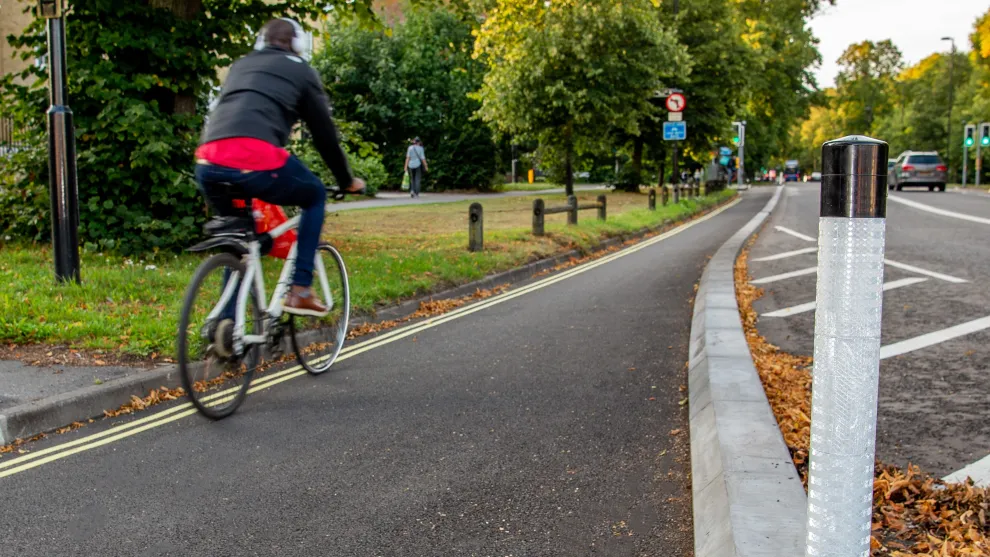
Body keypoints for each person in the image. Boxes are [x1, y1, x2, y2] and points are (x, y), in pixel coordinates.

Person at [194, 17, 365, 317]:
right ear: (297, 45)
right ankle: (300, 289)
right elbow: (324, 135)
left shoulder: (241, 65)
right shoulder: (301, 70)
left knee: (241, 241)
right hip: (255, 157)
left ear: (260, 42)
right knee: (313, 195)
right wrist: (346, 179)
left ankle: (225, 329)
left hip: (208, 160)